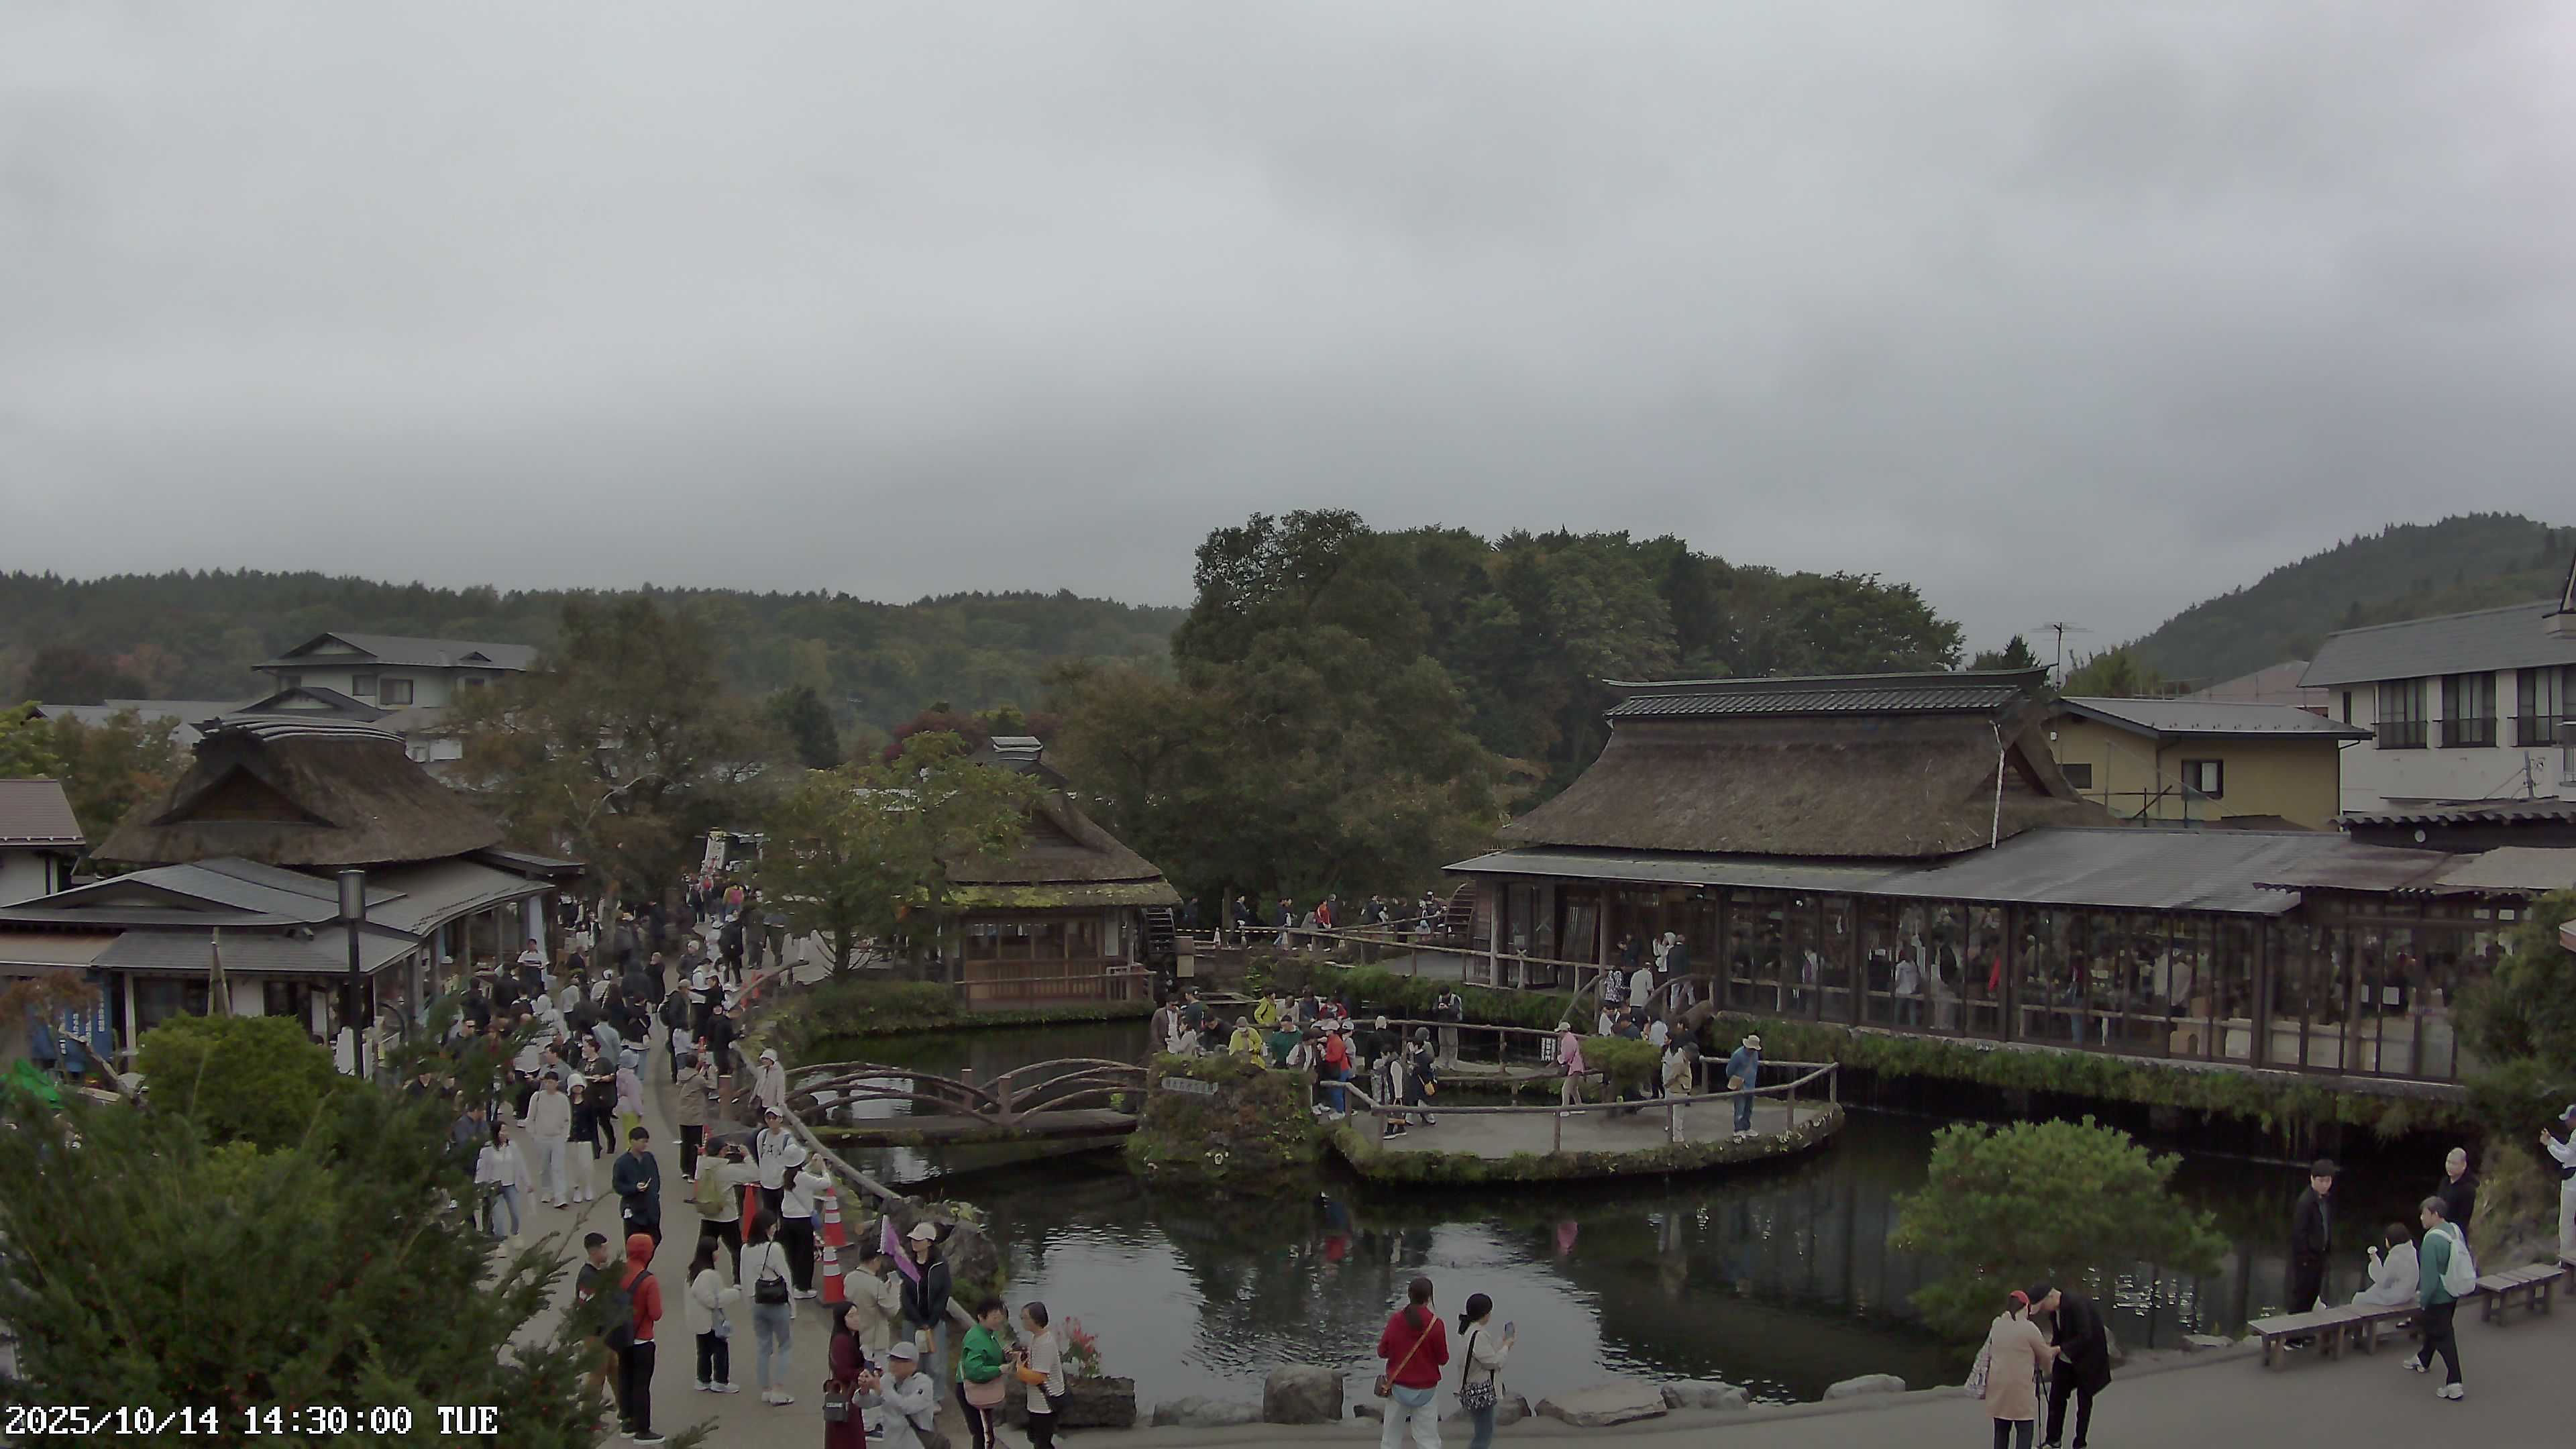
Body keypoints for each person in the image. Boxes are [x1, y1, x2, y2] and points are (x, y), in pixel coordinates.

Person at [2030, 1282, 2109, 1449]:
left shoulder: (2076, 1304)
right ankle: (2053, 1440)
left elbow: (2085, 1335)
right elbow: (2059, 1334)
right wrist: (2050, 1349)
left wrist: (2058, 1349)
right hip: (2066, 1359)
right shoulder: (2054, 1311)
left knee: (2084, 1403)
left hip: (2088, 1360)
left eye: (2043, 1305)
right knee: (2056, 1398)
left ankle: (2080, 1443)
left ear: (2050, 1296)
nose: (2043, 1310)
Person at [1375, 1276, 1448, 1449]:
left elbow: (1382, 1351)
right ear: (1429, 1298)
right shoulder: (1436, 1324)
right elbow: (1443, 1359)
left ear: (1409, 1295)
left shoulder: (1396, 1320)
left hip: (1399, 1387)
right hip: (1426, 1389)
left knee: (1391, 1438)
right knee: (1428, 1438)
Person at [1980, 1290, 2057, 1449]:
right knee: (2024, 1430)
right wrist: (2050, 1365)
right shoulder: (2029, 1328)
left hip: (1998, 1387)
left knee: (2001, 1430)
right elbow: (2045, 1356)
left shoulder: (1997, 1324)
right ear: (2026, 1307)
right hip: (2020, 1389)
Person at [2410, 1194, 2467, 1399]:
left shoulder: (2431, 1241)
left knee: (2444, 1336)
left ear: (2435, 1215)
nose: (2421, 1219)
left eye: (2424, 1214)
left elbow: (2429, 1278)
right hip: (2453, 1291)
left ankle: (2455, 1382)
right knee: (2437, 1330)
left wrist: (2423, 1301)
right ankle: (2423, 1358)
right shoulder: (2454, 1230)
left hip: (2438, 1297)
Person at [615, 1230, 667, 1444]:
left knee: (625, 1378)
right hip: (643, 1338)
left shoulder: (617, 1273)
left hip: (622, 1336)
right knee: (641, 1384)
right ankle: (642, 1430)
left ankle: (626, 1422)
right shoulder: (649, 1280)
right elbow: (656, 1313)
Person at [742, 1214, 800, 1406]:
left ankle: (765, 1389)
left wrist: (750, 1304)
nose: (775, 1229)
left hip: (757, 1303)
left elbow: (745, 1279)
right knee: (784, 1345)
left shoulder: (745, 1249)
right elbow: (786, 1278)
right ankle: (778, 1389)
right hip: (777, 1303)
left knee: (763, 1347)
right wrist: (793, 1308)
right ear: (767, 1228)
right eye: (773, 1226)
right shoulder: (774, 1249)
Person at [685, 1234, 742, 1395]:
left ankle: (703, 1379)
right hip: (711, 1320)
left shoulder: (693, 1271)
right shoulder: (708, 1274)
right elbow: (712, 1300)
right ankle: (720, 1381)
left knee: (703, 1350)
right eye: (716, 1251)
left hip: (698, 1320)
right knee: (720, 1349)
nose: (718, 1254)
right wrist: (734, 1294)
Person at [900, 1220, 955, 1386]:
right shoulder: (907, 1263)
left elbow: (943, 1294)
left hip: (934, 1320)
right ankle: (911, 1393)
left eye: (919, 1240)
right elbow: (905, 1295)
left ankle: (935, 1396)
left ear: (929, 1242)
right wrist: (917, 1320)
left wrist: (931, 1321)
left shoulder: (940, 1265)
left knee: (935, 1362)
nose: (914, 1243)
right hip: (912, 1320)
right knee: (910, 1360)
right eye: (913, 1240)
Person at [1456, 1291, 1512, 1449]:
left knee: (1482, 1432)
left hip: (1470, 1388)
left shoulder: (1468, 1332)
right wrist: (1507, 1347)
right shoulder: (1479, 1335)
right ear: (1485, 1314)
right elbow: (1494, 1362)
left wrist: (1503, 1340)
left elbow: (1484, 1354)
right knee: (1484, 1435)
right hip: (1480, 1392)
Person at [861, 1340, 940, 1449]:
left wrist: (883, 1390)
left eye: (900, 1361)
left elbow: (906, 1407)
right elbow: (865, 1403)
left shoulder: (923, 1383)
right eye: (892, 1359)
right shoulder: (887, 1380)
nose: (894, 1364)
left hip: (915, 1443)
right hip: (891, 1443)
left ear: (913, 1364)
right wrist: (864, 1390)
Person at [1012, 1300, 1067, 1449]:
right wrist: (1021, 1357)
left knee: (1041, 1442)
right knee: (1036, 1437)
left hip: (1046, 1403)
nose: (1022, 1321)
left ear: (1036, 1320)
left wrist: (1018, 1368)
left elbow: (1038, 1377)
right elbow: (1033, 1362)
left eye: (1025, 1318)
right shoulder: (1036, 1338)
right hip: (1037, 1402)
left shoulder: (1045, 1344)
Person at [956, 1298, 1010, 1449]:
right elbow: (975, 1370)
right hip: (973, 1390)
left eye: (1001, 1317)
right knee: (985, 1436)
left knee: (984, 1433)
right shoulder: (976, 1338)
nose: (999, 1321)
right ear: (981, 1317)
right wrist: (999, 1370)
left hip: (981, 1389)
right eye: (994, 1317)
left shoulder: (989, 1334)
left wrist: (1005, 1354)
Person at [2288, 1159, 2337, 1321]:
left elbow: (2326, 1225)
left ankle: (2305, 1331)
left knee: (2312, 1296)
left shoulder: (2324, 1200)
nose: (2325, 1184)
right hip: (2307, 1259)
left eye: (2328, 1180)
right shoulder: (2306, 1202)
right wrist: (2304, 1258)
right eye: (2321, 1181)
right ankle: (2292, 1338)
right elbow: (2298, 1233)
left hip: (2320, 1256)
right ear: (2312, 1179)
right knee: (2301, 1297)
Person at [823, 1299, 876, 1449]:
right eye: (851, 1316)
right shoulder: (841, 1341)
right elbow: (843, 1371)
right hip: (846, 1394)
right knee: (847, 1437)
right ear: (842, 1319)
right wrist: (865, 1371)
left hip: (850, 1394)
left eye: (857, 1314)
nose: (857, 1318)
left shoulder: (851, 1338)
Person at [849, 1244, 907, 1364]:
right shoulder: (876, 1284)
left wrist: (885, 1287)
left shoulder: (849, 1278)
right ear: (875, 1261)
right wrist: (895, 1287)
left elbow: (870, 1297)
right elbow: (892, 1310)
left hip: (857, 1336)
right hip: (875, 1342)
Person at [523, 1072, 572, 1208]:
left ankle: (560, 1196)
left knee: (558, 1167)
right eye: (546, 1082)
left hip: (557, 1138)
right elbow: (530, 1117)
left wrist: (564, 1136)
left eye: (551, 1082)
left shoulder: (562, 1099)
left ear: (557, 1083)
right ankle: (547, 1190)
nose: (548, 1085)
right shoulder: (537, 1097)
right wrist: (533, 1134)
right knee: (544, 1167)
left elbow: (567, 1119)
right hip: (541, 1137)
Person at [476, 1122, 529, 1240]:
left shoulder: (513, 1147)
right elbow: (482, 1170)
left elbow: (521, 1164)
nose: (506, 1134)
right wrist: (480, 1186)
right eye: (503, 1131)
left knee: (516, 1212)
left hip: (510, 1185)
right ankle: (501, 1242)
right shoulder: (487, 1150)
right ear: (496, 1133)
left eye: (506, 1131)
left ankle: (515, 1232)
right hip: (494, 1187)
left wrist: (527, 1183)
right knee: (499, 1217)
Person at [614, 1126, 664, 1249]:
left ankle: (643, 1265)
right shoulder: (622, 1163)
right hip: (633, 1209)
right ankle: (636, 1268)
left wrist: (653, 1192)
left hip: (651, 1207)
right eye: (642, 1141)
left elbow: (656, 1178)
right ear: (632, 1141)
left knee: (654, 1239)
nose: (645, 1145)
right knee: (634, 1245)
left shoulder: (649, 1158)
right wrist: (634, 1188)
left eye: (646, 1142)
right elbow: (617, 1186)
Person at [2354, 1222, 2420, 1307]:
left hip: (2397, 1296)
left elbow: (2383, 1282)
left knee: (2358, 1299)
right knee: (2372, 1292)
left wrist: (2375, 1261)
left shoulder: (2395, 1256)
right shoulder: (2411, 1250)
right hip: (2408, 1293)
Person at [675, 1047, 713, 1183]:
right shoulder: (698, 1080)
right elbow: (711, 1086)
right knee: (695, 1144)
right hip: (695, 1116)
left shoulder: (681, 1075)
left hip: (683, 1115)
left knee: (685, 1143)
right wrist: (709, 1070)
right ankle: (692, 1172)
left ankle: (685, 1169)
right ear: (697, 1063)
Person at [2544, 1105, 2576, 1259]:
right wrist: (2552, 1141)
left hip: (2572, 1185)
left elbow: (2565, 1156)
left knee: (2566, 1224)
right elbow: (2569, 1150)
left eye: (2568, 1120)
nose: (2566, 1123)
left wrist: (2549, 1145)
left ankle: (2566, 1258)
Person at [1723, 1033, 1762, 1135]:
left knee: (1749, 1109)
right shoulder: (1738, 1055)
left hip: (1751, 1086)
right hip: (1740, 1086)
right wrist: (1736, 1079)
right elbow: (1729, 1071)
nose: (1753, 1051)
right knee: (1740, 1109)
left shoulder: (1755, 1055)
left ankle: (1747, 1127)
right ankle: (1739, 1130)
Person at [2435, 1146, 2478, 1237]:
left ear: (2464, 1165)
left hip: (2455, 1233)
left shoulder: (2468, 1188)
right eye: (2448, 1162)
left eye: (2454, 1164)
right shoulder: (2444, 1182)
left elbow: (2464, 1218)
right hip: (2439, 1228)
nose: (2450, 1166)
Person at [1555, 1021, 1587, 1116]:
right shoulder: (1571, 1038)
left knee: (1566, 1089)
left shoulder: (1567, 1040)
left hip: (1574, 1066)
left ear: (1563, 1031)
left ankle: (1565, 1109)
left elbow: (1566, 1055)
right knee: (1573, 1089)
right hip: (1577, 1066)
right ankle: (1579, 1107)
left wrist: (1560, 1059)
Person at [1431, 987, 1463, 1066]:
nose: (1444, 997)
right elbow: (1434, 1009)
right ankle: (1443, 1062)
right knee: (1442, 1045)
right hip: (1441, 1025)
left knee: (1452, 1045)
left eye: (1446, 995)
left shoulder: (1455, 998)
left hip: (1451, 1025)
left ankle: (1452, 1063)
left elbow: (1456, 1010)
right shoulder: (1439, 998)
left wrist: (1447, 1008)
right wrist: (1438, 1008)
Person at [753, 1048, 789, 1117]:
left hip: (771, 1100)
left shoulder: (778, 1071)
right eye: (763, 1059)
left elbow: (780, 1087)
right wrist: (755, 1096)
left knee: (768, 1116)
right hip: (761, 1098)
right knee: (759, 1115)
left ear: (771, 1060)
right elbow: (759, 1084)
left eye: (766, 1059)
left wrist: (780, 1101)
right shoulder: (762, 1070)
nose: (764, 1061)